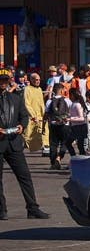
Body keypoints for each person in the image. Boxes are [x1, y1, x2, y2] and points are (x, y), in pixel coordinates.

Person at [0, 71, 47, 219]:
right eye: (1, 80)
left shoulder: (15, 98)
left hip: (14, 142)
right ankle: (2, 210)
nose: (3, 82)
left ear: (9, 81)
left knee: (25, 176)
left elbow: (24, 116)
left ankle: (32, 208)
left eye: (5, 80)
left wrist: (21, 126)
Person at [44, 81, 73, 169]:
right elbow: (71, 112)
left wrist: (44, 125)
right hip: (65, 124)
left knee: (53, 144)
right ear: (61, 91)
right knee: (64, 143)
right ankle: (59, 158)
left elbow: (46, 114)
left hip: (53, 124)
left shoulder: (49, 101)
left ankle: (53, 163)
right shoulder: (67, 100)